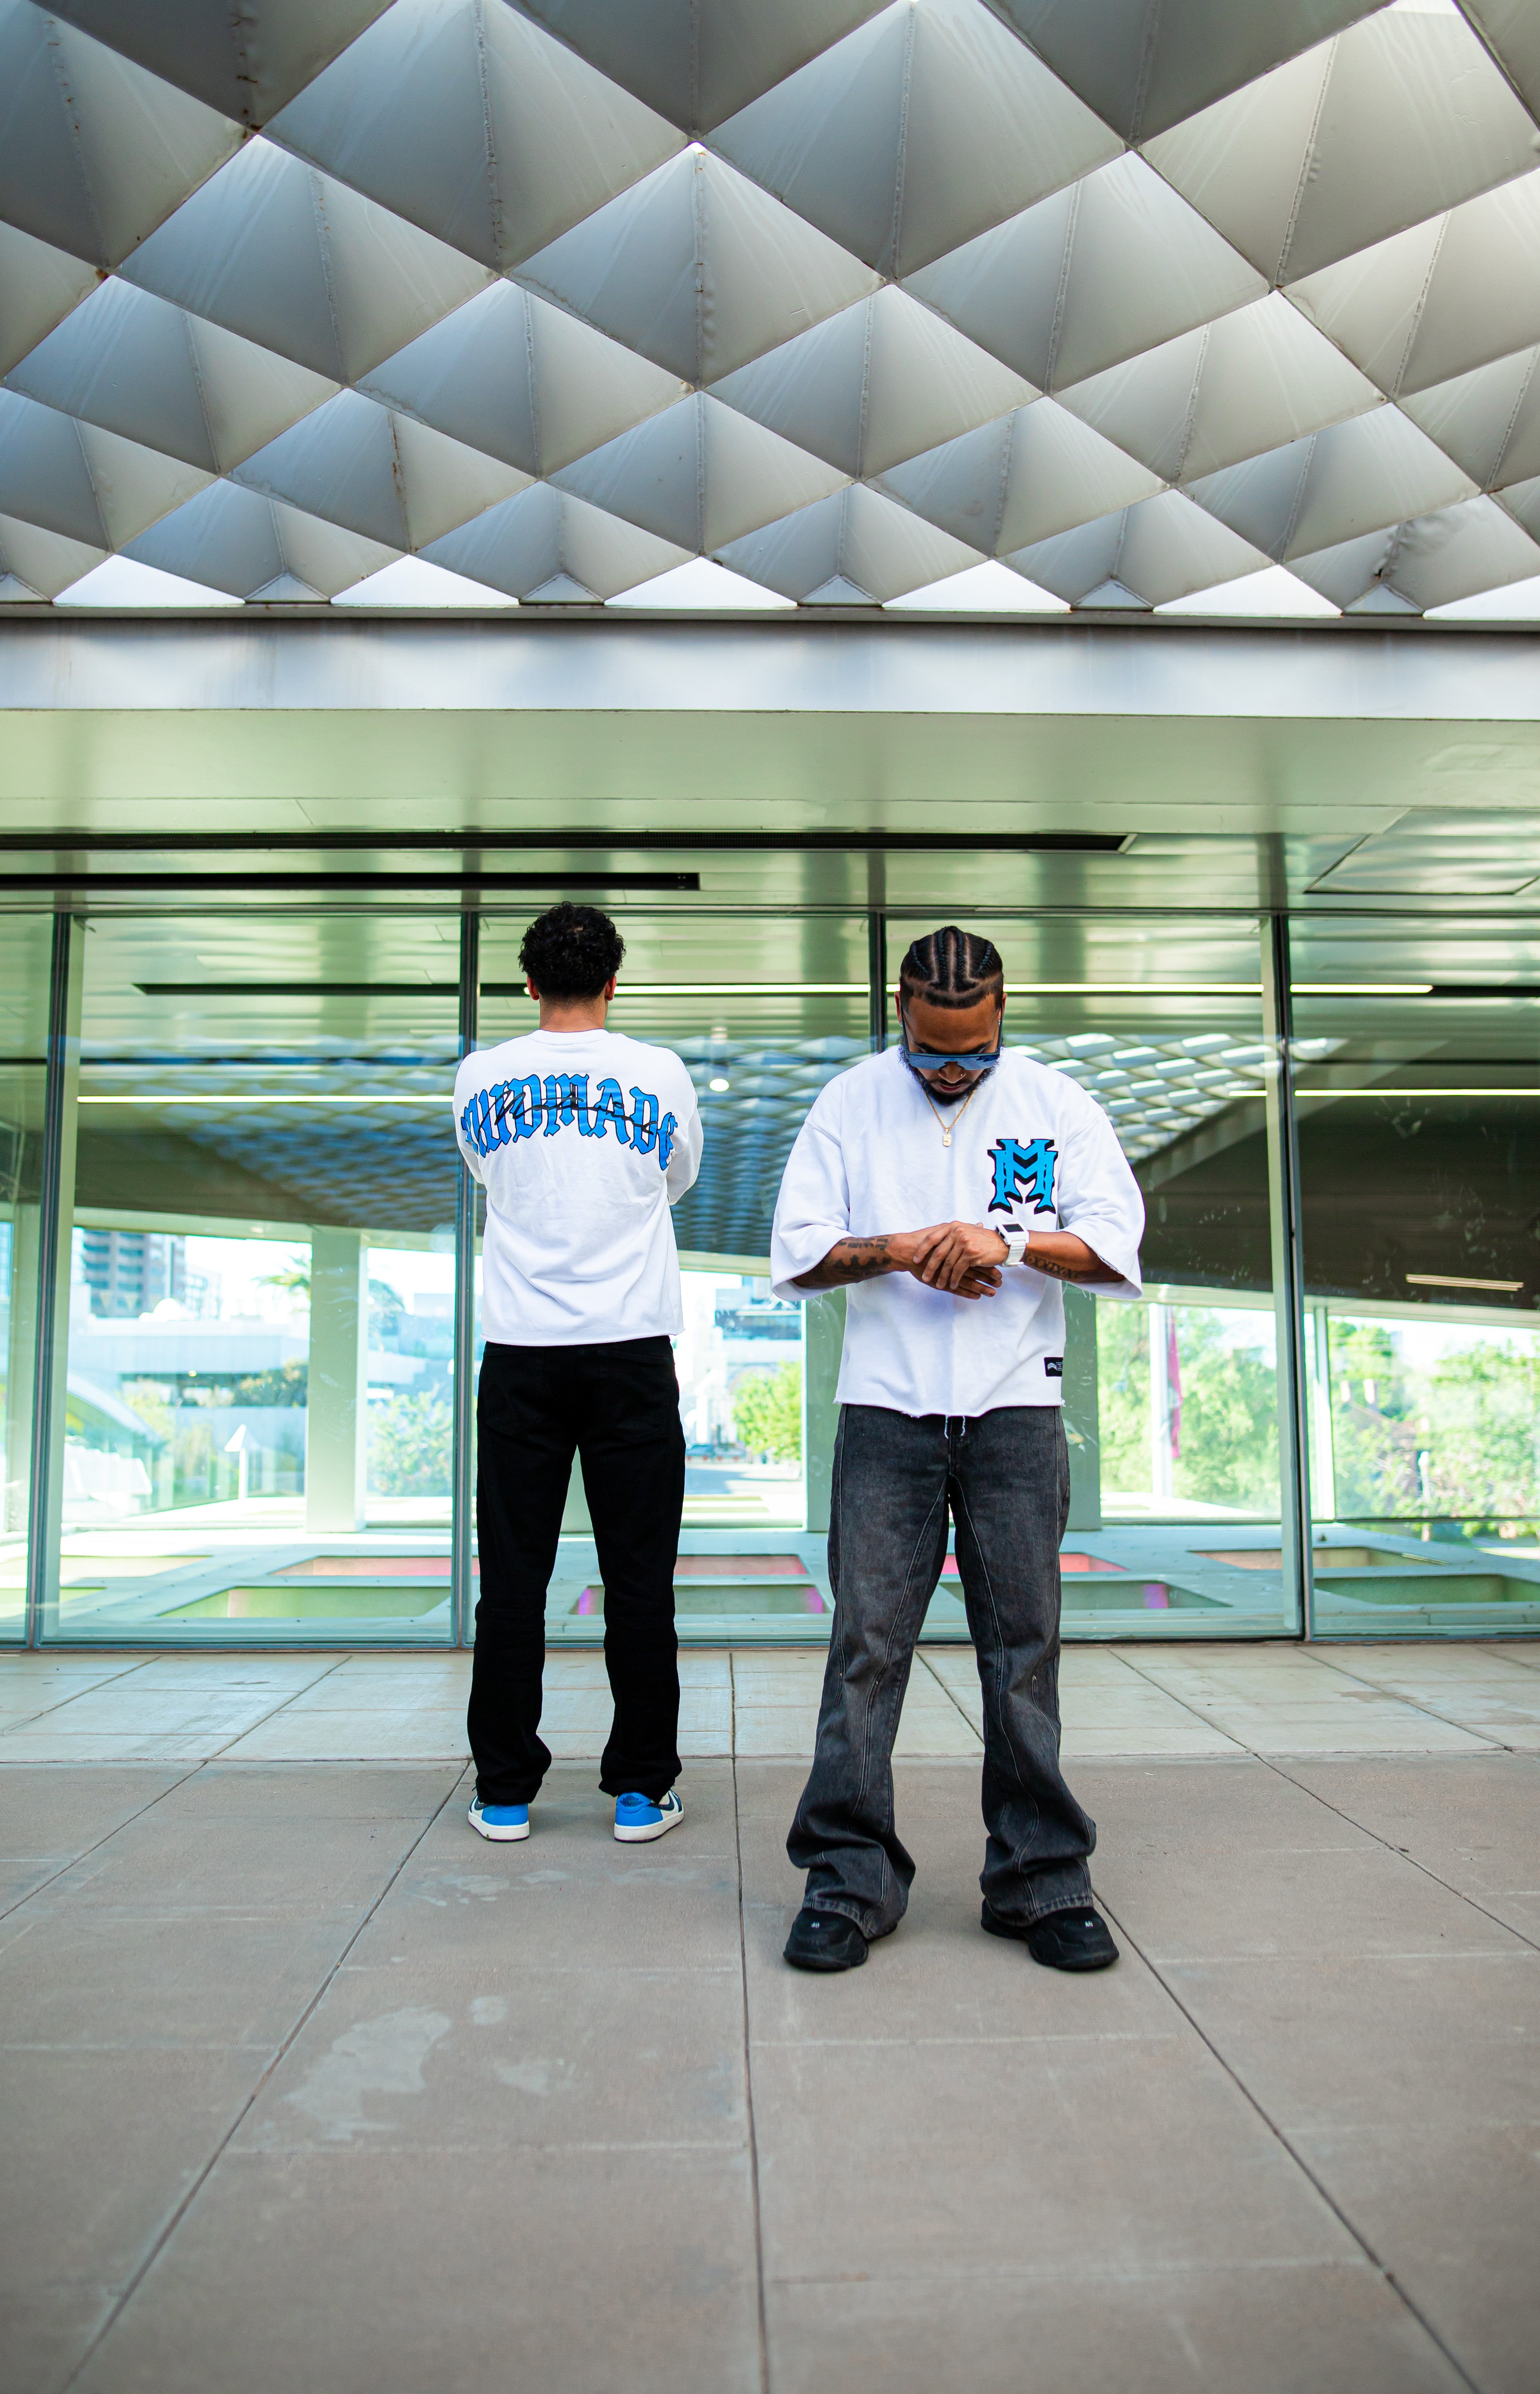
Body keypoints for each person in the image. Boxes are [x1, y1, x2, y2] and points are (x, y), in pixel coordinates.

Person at [769, 926, 1144, 1973]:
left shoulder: (1055, 1101)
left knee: (1022, 1651)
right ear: (901, 1011)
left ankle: (1041, 1881)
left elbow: (1118, 1241)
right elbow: (796, 1253)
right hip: (885, 1416)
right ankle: (848, 1880)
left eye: (972, 1050)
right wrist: (907, 1247)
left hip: (1017, 1415)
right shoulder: (849, 1101)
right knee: (867, 1650)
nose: (952, 1068)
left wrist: (1004, 1240)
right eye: (934, 1047)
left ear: (1001, 1014)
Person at [452, 901, 702, 1847]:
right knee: (638, 1577)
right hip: (630, 1350)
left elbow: (488, 1169)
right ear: (611, 981)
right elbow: (676, 1176)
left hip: (519, 1354)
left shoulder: (481, 1076)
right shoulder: (657, 1074)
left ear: (528, 983)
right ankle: (641, 1789)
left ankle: (505, 1790)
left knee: (512, 1577)